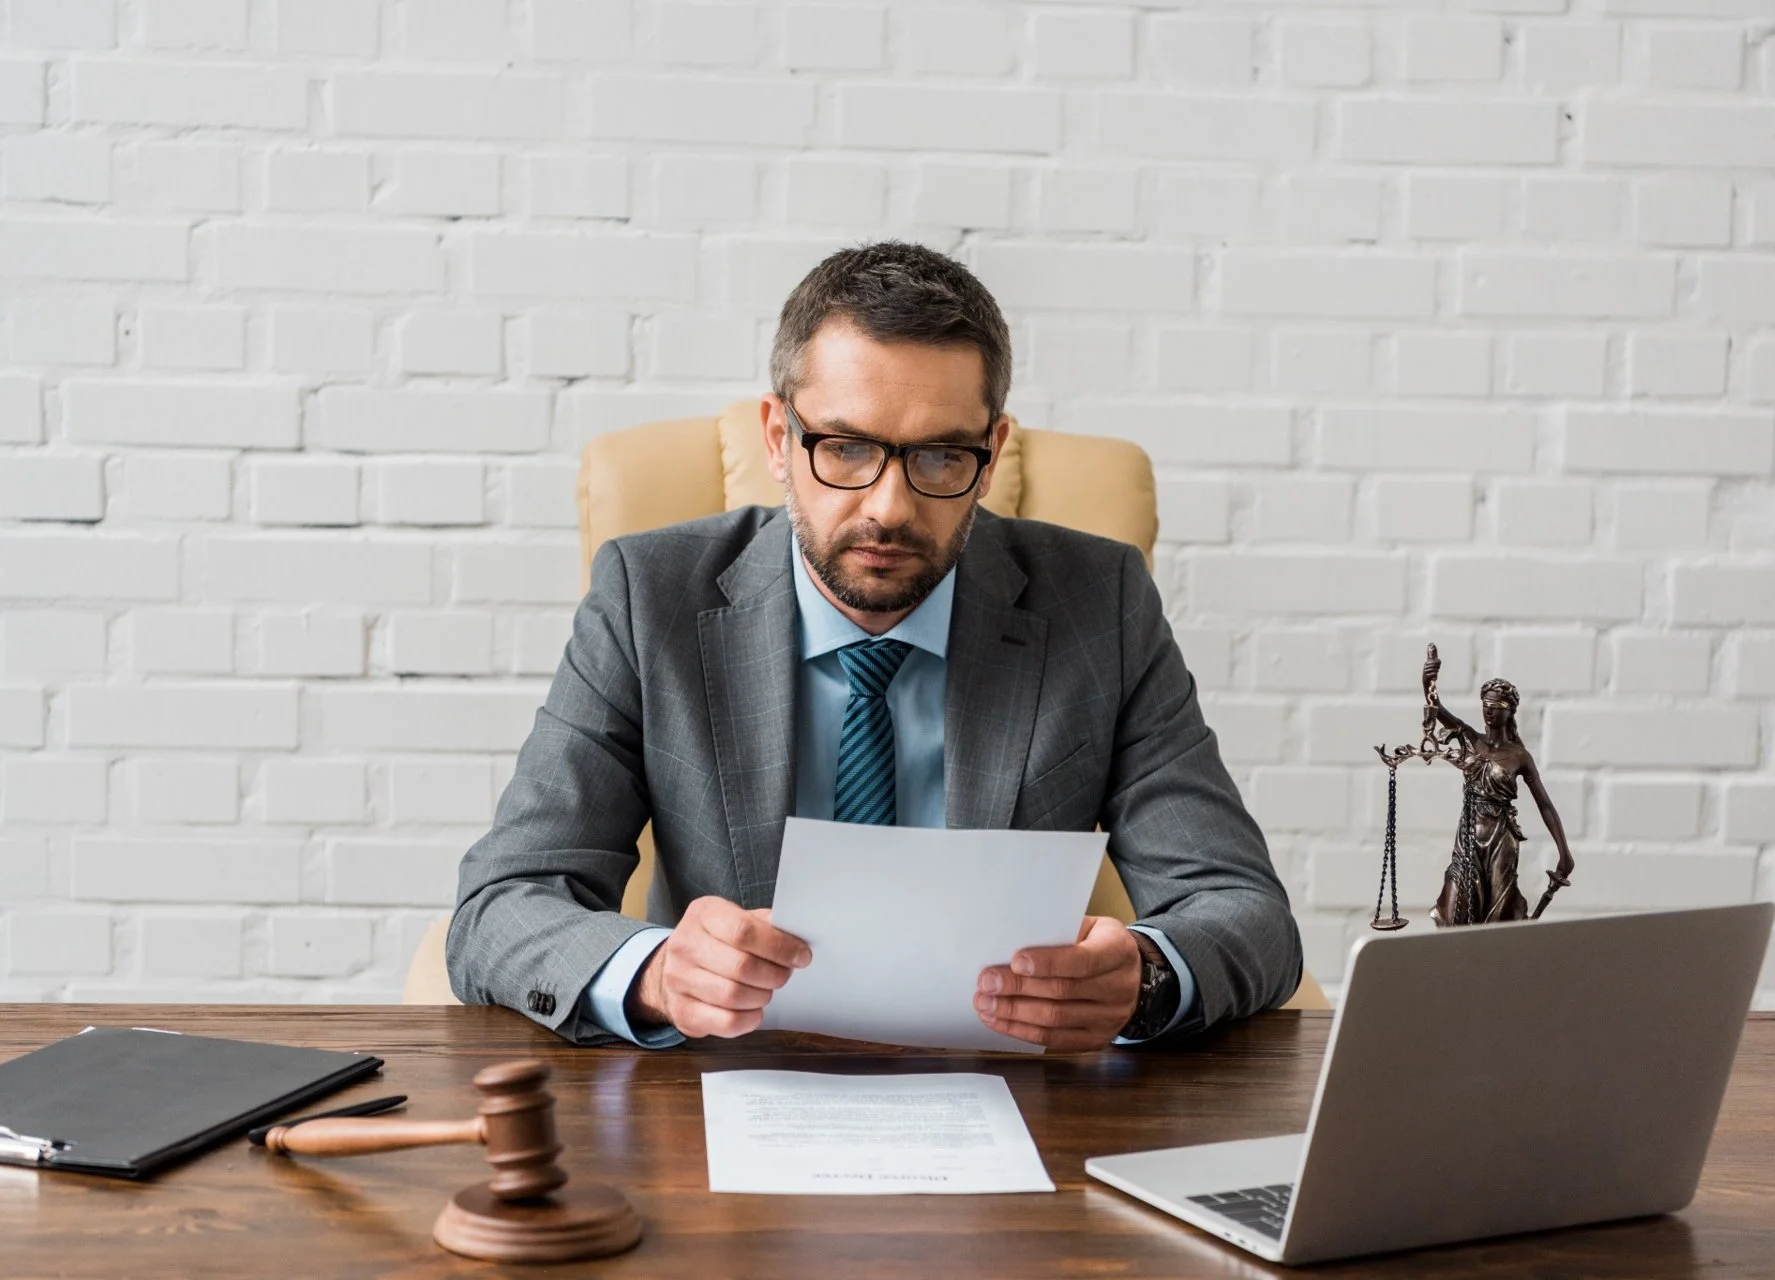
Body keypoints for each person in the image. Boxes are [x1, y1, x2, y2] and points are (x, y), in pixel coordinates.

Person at [448, 241, 1302, 1050]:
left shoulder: (1099, 605)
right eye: (846, 448)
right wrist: (658, 973)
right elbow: (503, 904)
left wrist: (1147, 978)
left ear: (992, 451)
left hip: (1016, 1093)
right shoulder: (650, 596)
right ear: (779, 441)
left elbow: (1242, 909)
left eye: (938, 457)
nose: (889, 506)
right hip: (724, 1090)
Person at [1421, 648, 1575, 926]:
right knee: (1455, 906)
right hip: (1467, 836)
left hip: (1501, 840)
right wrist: (1427, 683)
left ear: (1511, 710)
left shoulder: (1519, 756)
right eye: (1485, 704)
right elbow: (1437, 708)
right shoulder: (1469, 738)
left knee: (1498, 914)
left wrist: (1564, 850)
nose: (1489, 710)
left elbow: (1545, 804)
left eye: (1497, 705)